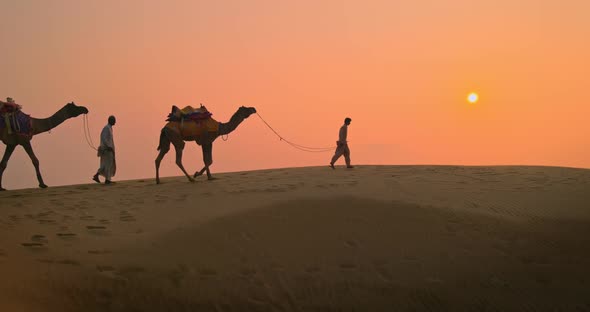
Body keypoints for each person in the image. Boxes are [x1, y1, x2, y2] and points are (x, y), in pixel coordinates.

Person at [93, 116, 117, 184]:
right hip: (107, 150)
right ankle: (107, 179)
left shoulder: (110, 128)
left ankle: (101, 177)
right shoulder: (106, 128)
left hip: (109, 149)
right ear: (110, 120)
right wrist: (108, 146)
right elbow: (104, 138)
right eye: (114, 120)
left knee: (107, 165)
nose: (115, 122)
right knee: (107, 165)